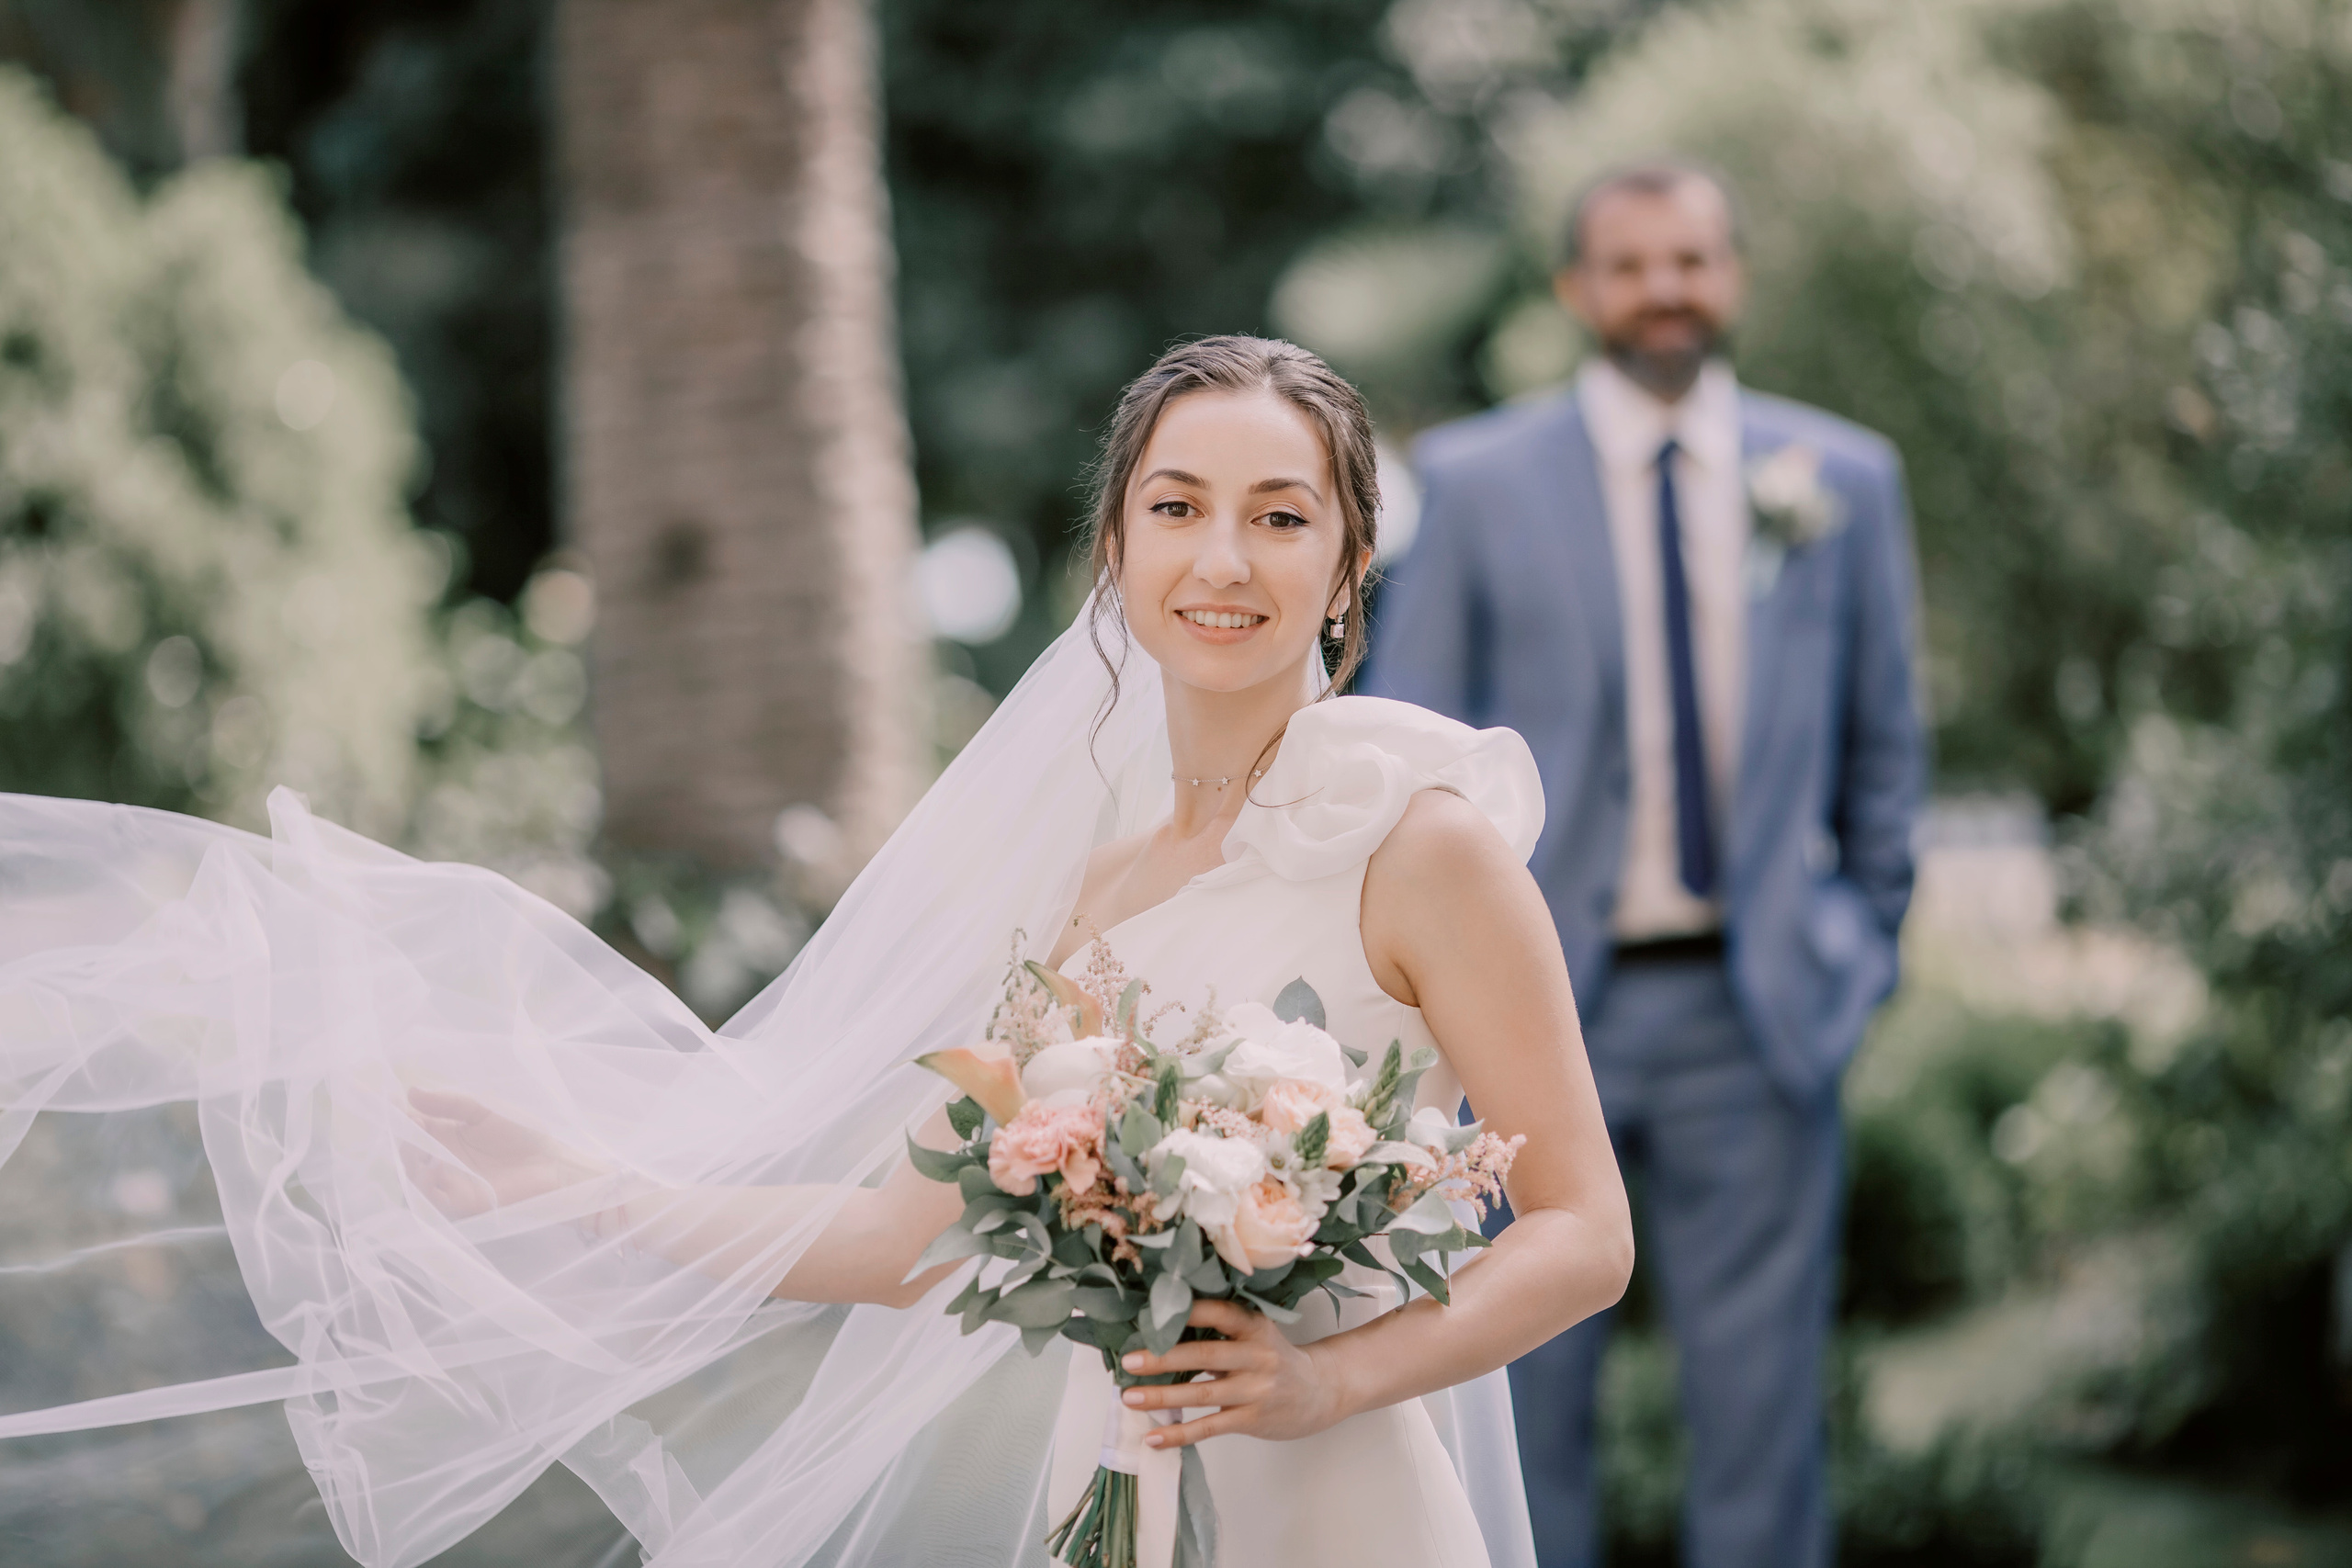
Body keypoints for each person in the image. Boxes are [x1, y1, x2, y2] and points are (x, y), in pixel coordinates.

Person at [0, 336, 1632, 1568]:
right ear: (1116, 558)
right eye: (1177, 508)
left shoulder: (1423, 845)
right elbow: (903, 1237)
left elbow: (1582, 1229)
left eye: (1282, 517)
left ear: (1347, 564)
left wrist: (1329, 1384)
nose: (1225, 560)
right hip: (1115, 1476)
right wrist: (568, 1187)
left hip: (1330, 1491)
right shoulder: (1097, 893)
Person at [1363, 162, 1927, 1568]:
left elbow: (1886, 751)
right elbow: (1408, 753)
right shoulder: (1482, 484)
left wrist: (1855, 954)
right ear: (1575, 291)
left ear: (1731, 275)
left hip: (1762, 1014)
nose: (1663, 290)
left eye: (1690, 260)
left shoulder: (1843, 479)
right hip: (1527, 1019)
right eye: (1629, 265)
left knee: (1762, 1418)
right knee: (1515, 1396)